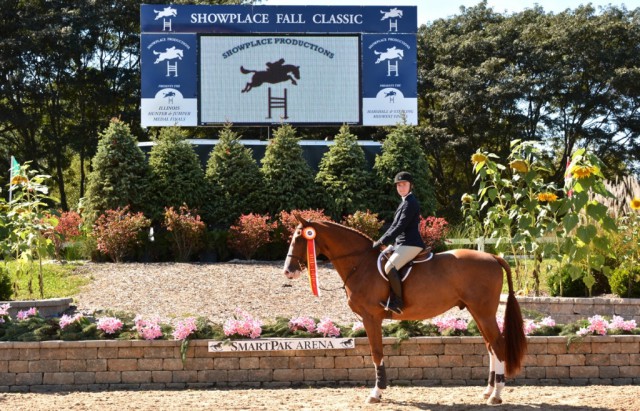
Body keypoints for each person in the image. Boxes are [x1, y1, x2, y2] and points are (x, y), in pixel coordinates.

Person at [372, 171, 425, 314]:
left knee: (390, 266)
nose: (401, 187)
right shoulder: (404, 202)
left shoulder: (410, 203)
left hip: (411, 243)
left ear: (410, 186)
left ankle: (398, 303)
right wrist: (385, 242)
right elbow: (394, 227)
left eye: (404, 185)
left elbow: (399, 227)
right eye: (399, 185)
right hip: (401, 243)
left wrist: (381, 241)